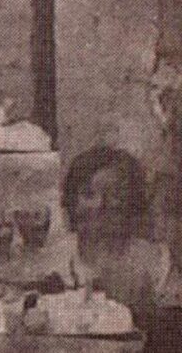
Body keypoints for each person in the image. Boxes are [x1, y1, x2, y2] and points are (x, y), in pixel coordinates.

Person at [62, 146, 182, 349]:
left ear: (131, 203)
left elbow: (175, 324)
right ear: (72, 201)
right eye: (88, 194)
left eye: (114, 195)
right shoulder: (58, 255)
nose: (100, 205)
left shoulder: (154, 258)